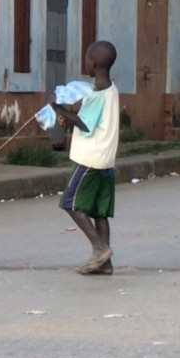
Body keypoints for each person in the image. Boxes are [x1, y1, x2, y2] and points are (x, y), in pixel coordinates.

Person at [52, 41, 120, 276]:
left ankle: (100, 249)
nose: (85, 63)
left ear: (93, 62)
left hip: (90, 159)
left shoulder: (98, 95)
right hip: (106, 160)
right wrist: (71, 114)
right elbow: (87, 114)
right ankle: (106, 264)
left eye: (86, 59)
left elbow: (86, 124)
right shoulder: (109, 89)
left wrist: (59, 109)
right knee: (98, 211)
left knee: (70, 202)